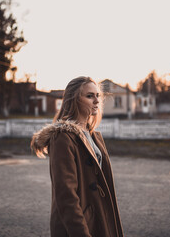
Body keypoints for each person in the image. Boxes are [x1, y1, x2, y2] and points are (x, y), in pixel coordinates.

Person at [31, 76, 124, 237]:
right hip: (81, 225)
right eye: (89, 96)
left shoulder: (93, 136)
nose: (96, 101)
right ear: (74, 100)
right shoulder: (62, 137)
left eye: (97, 95)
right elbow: (66, 196)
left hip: (100, 217)